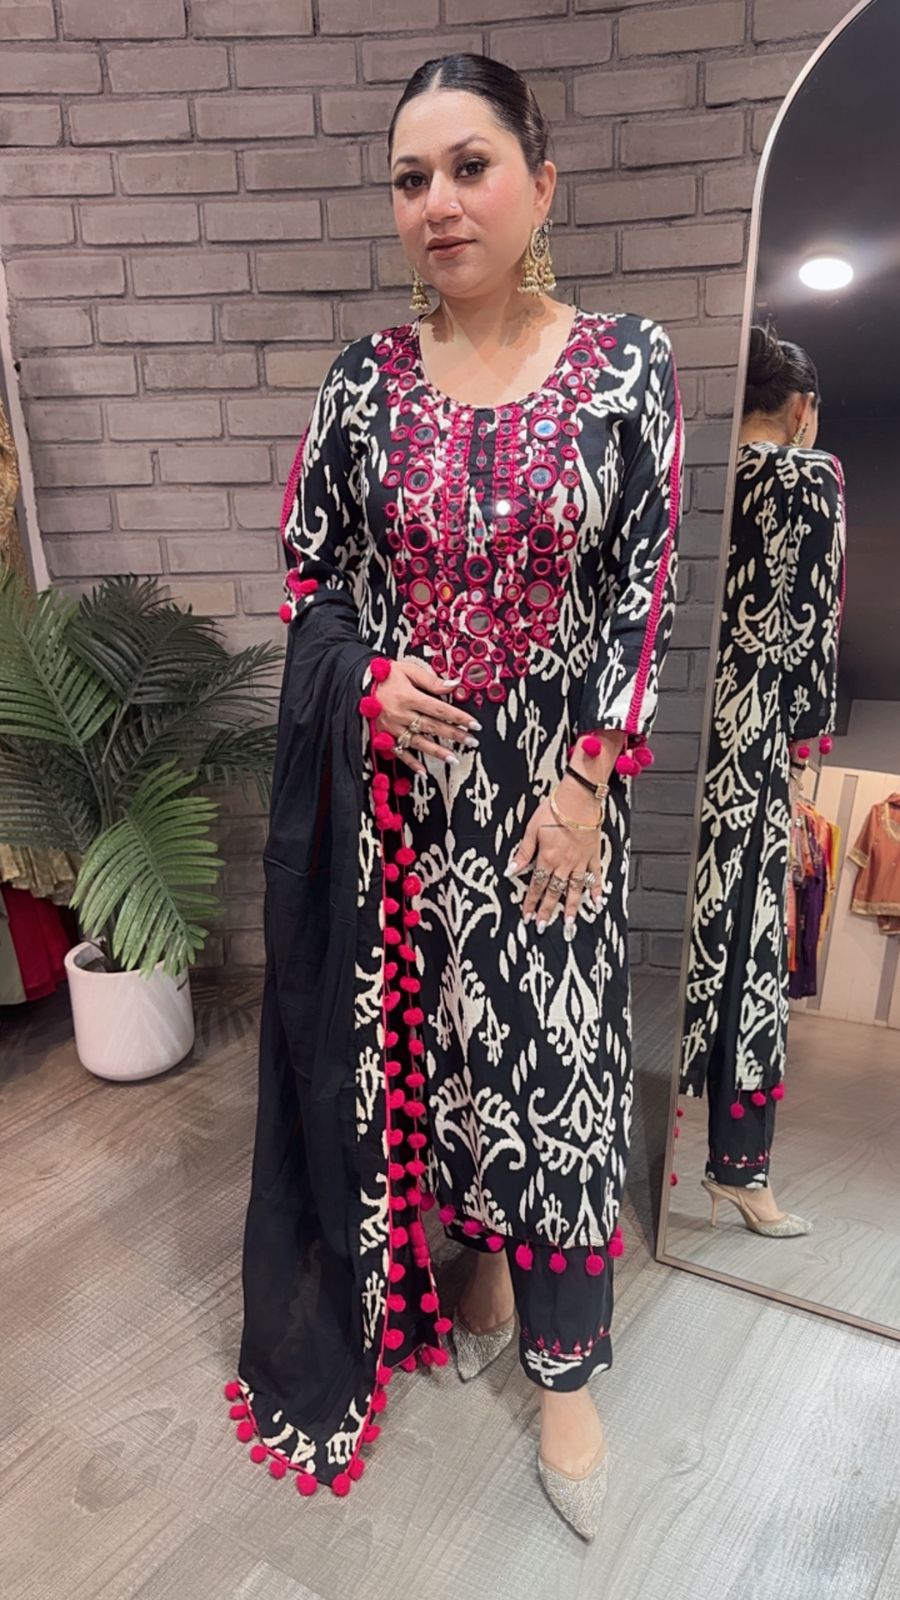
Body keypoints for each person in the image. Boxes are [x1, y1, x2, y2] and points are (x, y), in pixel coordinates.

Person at [227, 53, 683, 1543]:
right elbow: (309, 574)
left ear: (541, 184)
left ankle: (567, 1376)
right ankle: (468, 1273)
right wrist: (360, 683)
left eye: (470, 166)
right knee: (437, 1059)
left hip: (554, 806)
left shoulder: (627, 365)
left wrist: (590, 781)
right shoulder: (361, 384)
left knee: (555, 1072)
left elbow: (644, 588)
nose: (439, 202)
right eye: (411, 178)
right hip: (403, 814)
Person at [679, 323, 846, 1235]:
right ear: (801, 409)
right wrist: (804, 739)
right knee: (747, 952)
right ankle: (740, 1169)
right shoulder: (809, 478)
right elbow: (814, 626)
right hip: (748, 746)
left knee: (667, 946)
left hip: (670, 740)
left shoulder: (694, 476)